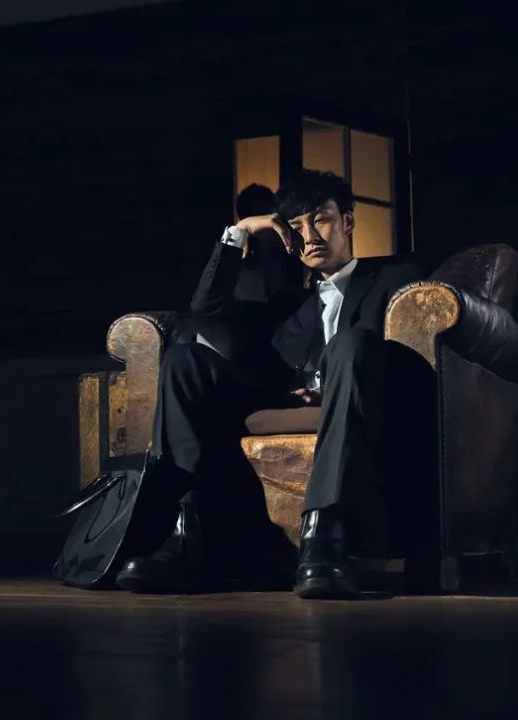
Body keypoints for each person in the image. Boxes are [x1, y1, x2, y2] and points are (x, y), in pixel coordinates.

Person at [114, 169, 434, 599]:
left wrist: (332, 386)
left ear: (348, 221)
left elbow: (400, 358)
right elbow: (205, 310)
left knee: (353, 343)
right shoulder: (287, 305)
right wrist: (241, 232)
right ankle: (187, 532)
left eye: (321, 220)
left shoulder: (396, 277)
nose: (310, 237)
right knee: (184, 360)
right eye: (296, 227)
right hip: (285, 396)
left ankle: (325, 535)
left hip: (364, 397)